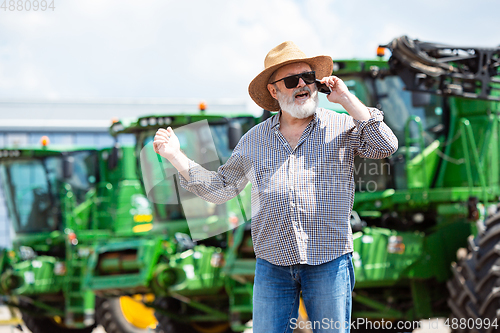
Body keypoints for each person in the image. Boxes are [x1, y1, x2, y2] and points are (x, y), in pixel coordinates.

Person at [153, 41, 398, 333]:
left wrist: (347, 99)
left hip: (329, 260)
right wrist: (176, 157)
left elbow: (386, 145)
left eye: (308, 78)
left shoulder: (341, 126)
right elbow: (221, 189)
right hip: (273, 264)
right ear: (274, 91)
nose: (303, 86)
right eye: (292, 81)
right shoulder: (254, 140)